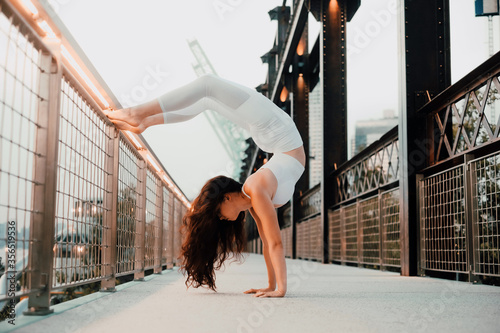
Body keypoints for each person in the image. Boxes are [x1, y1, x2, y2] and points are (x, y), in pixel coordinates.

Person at [104, 74, 305, 298]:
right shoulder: (254, 200)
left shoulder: (256, 190)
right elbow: (270, 244)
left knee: (208, 85)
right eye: (218, 214)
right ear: (226, 198)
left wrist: (281, 289)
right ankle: (144, 120)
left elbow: (276, 243)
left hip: (277, 130)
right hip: (274, 136)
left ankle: (140, 115)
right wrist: (271, 286)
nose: (221, 218)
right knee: (207, 98)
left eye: (216, 214)